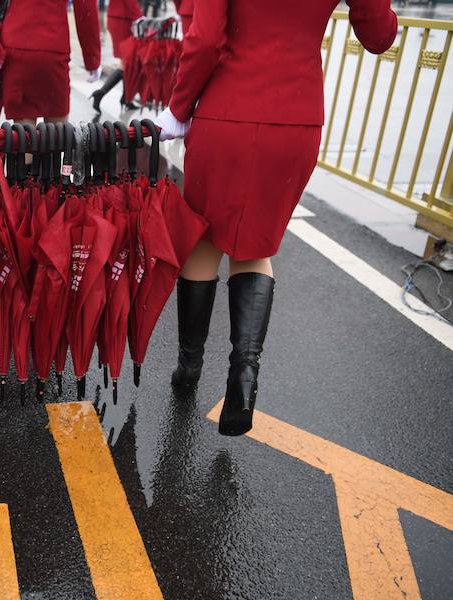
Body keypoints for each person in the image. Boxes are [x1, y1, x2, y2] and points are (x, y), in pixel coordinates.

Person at [153, 0, 397, 436]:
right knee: (256, 245)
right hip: (296, 119)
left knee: (205, 237)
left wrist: (177, 110)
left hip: (226, 112)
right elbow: (379, 36)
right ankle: (243, 383)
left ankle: (189, 366)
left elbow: (205, 39)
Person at [0, 0, 102, 125]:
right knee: (57, 133)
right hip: (52, 48)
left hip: (17, 47)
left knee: (24, 135)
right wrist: (92, 59)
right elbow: (86, 9)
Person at [90, 0, 143, 113]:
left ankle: (126, 98)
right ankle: (103, 94)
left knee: (126, 62)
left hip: (120, 17)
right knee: (127, 61)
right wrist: (139, 16)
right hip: (123, 18)